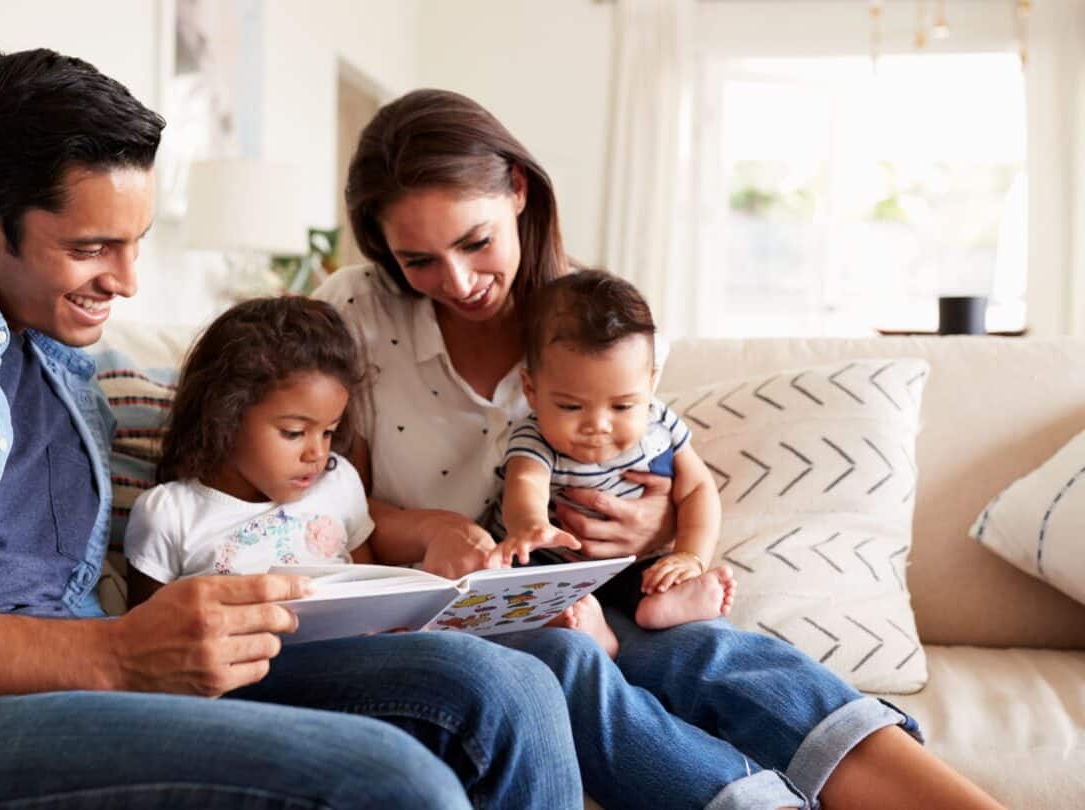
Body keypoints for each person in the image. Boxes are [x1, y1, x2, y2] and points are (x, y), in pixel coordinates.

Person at [0, 52, 584, 809]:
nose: (128, 281)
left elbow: (242, 421)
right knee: (390, 784)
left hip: (86, 678)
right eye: (94, 248)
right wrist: (115, 652)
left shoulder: (66, 362)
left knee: (504, 690)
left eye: (136, 243)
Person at [316, 86, 1004, 809]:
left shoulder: (603, 327)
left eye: (475, 242)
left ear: (517, 190)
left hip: (587, 582)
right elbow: (331, 502)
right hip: (445, 610)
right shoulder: (357, 312)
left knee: (717, 656)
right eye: (418, 259)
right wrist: (432, 529)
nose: (457, 283)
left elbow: (660, 480)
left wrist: (659, 528)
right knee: (567, 663)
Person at [488, 271, 736, 658]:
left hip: (629, 564)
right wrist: (531, 526)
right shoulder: (535, 436)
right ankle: (586, 626)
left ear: (651, 385)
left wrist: (689, 555)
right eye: (570, 406)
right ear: (531, 391)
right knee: (515, 582)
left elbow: (698, 489)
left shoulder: (659, 423)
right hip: (552, 561)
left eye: (622, 406)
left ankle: (668, 604)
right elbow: (526, 482)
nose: (597, 426)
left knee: (657, 575)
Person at [124, 296, 376, 602]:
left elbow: (374, 589)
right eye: (293, 433)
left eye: (328, 432)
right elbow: (145, 631)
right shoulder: (169, 514)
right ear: (225, 416)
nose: (317, 454)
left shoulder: (339, 482)